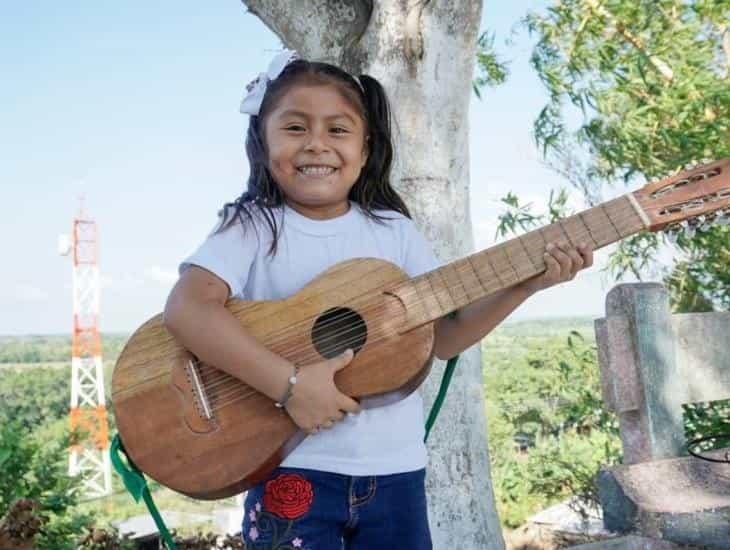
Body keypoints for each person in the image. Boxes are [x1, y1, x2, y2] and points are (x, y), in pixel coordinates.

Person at [163, 49, 593, 550]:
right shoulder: (253, 227)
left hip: (396, 473)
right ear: (262, 143)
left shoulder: (395, 233)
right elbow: (187, 309)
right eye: (296, 128)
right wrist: (290, 386)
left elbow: (444, 337)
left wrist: (526, 283)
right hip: (291, 469)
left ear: (366, 149)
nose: (317, 145)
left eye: (338, 130)